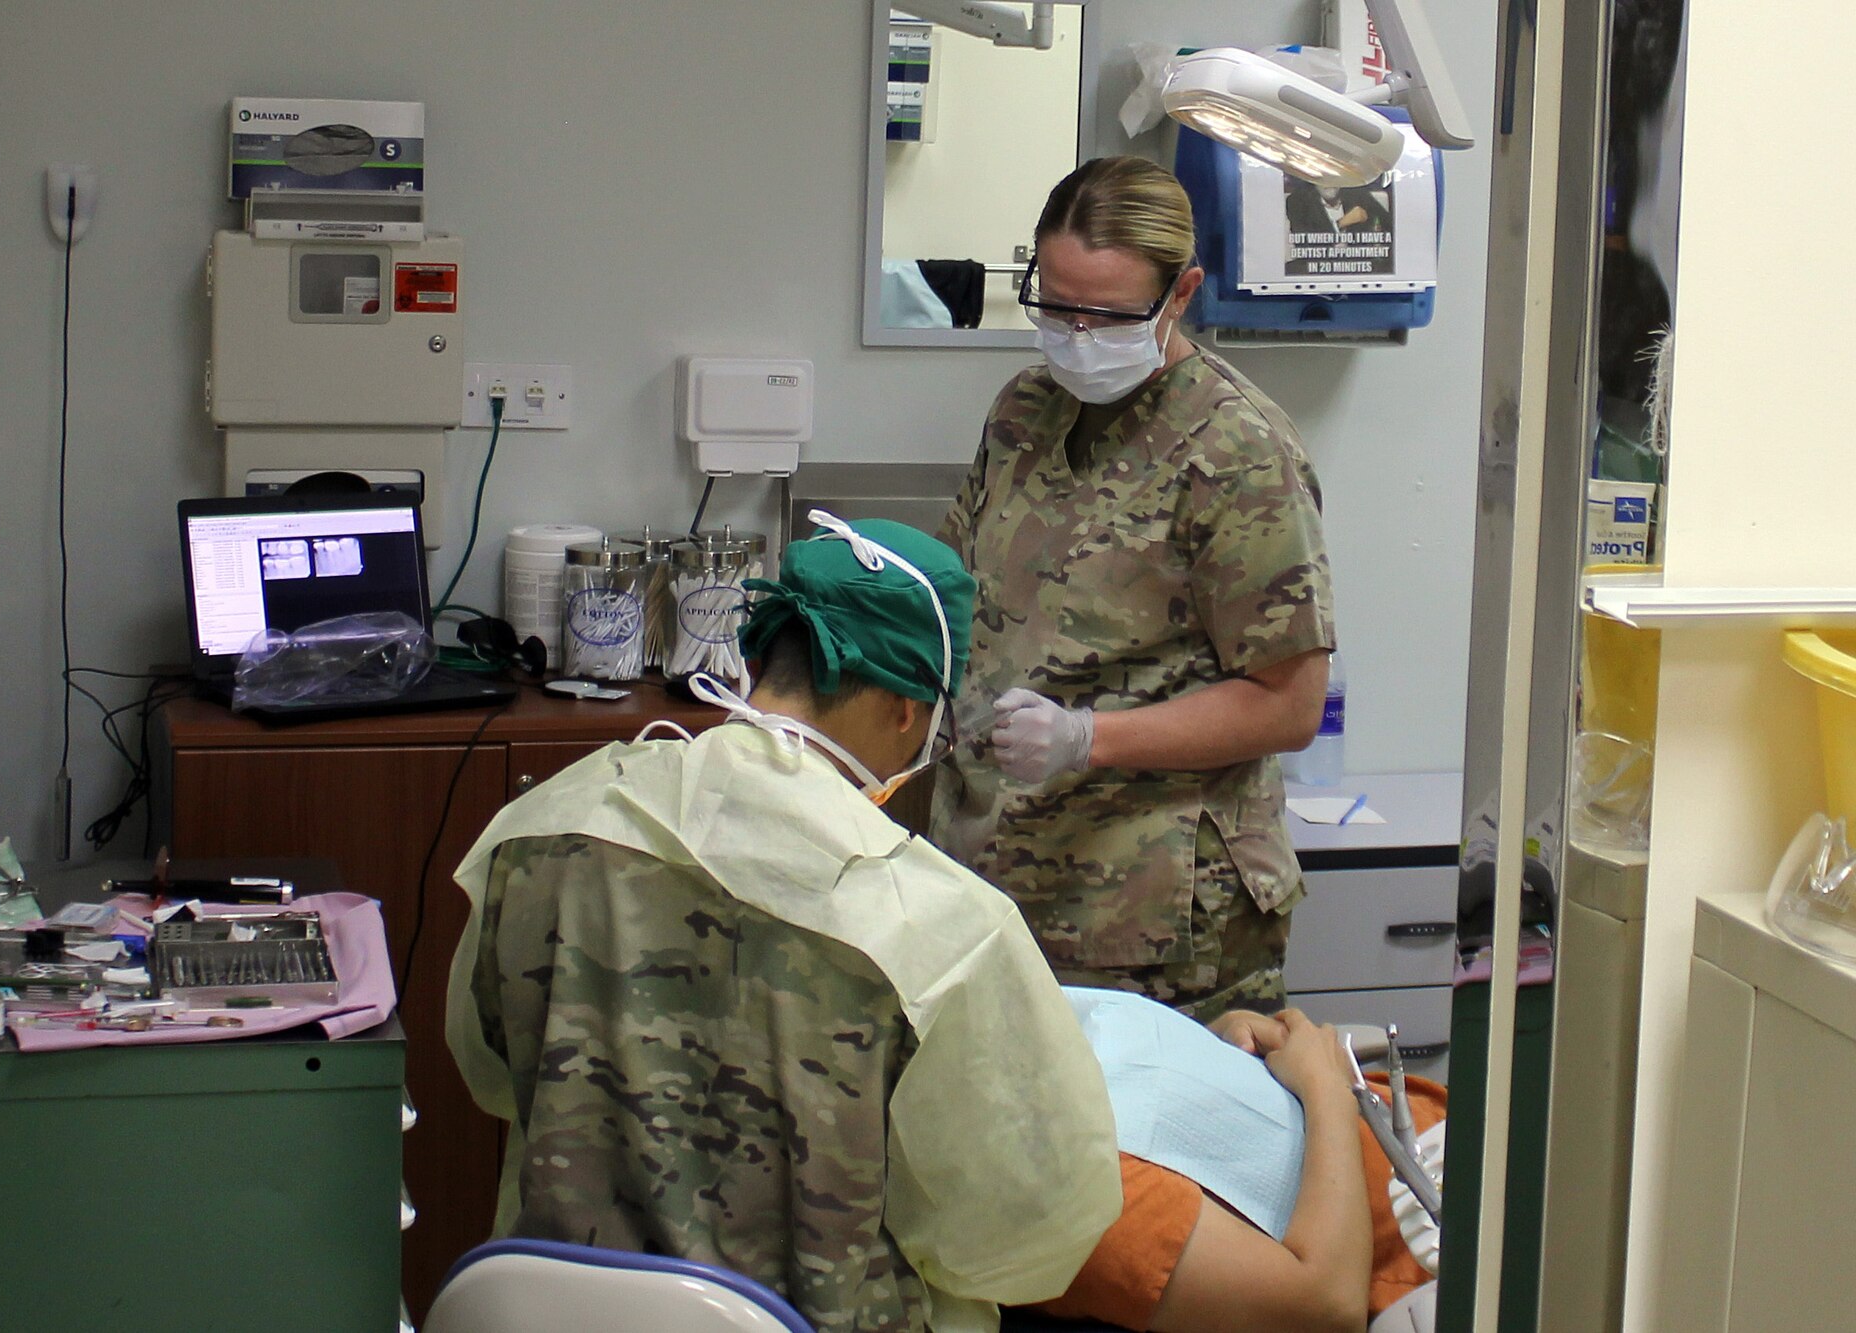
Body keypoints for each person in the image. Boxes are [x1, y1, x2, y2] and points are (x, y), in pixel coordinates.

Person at [445, 513, 1123, 1333]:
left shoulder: (545, 828)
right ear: (912, 711)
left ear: (760, 659)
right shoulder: (942, 930)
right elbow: (1030, 1234)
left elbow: (486, 1067)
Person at [934, 155, 1336, 1021]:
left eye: (1108, 314)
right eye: (1056, 304)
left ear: (1181, 292)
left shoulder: (1236, 452)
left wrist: (1088, 738)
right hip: (1002, 890)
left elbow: (1288, 704)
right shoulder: (1025, 412)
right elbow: (958, 592)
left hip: (1159, 928)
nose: (1076, 334)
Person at [1041, 999, 1446, 1333]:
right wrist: (1327, 1085)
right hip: (1435, 1240)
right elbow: (1326, 1307)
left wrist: (1213, 1043)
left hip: (1437, 1129)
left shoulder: (1035, 1024)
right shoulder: (1070, 1189)